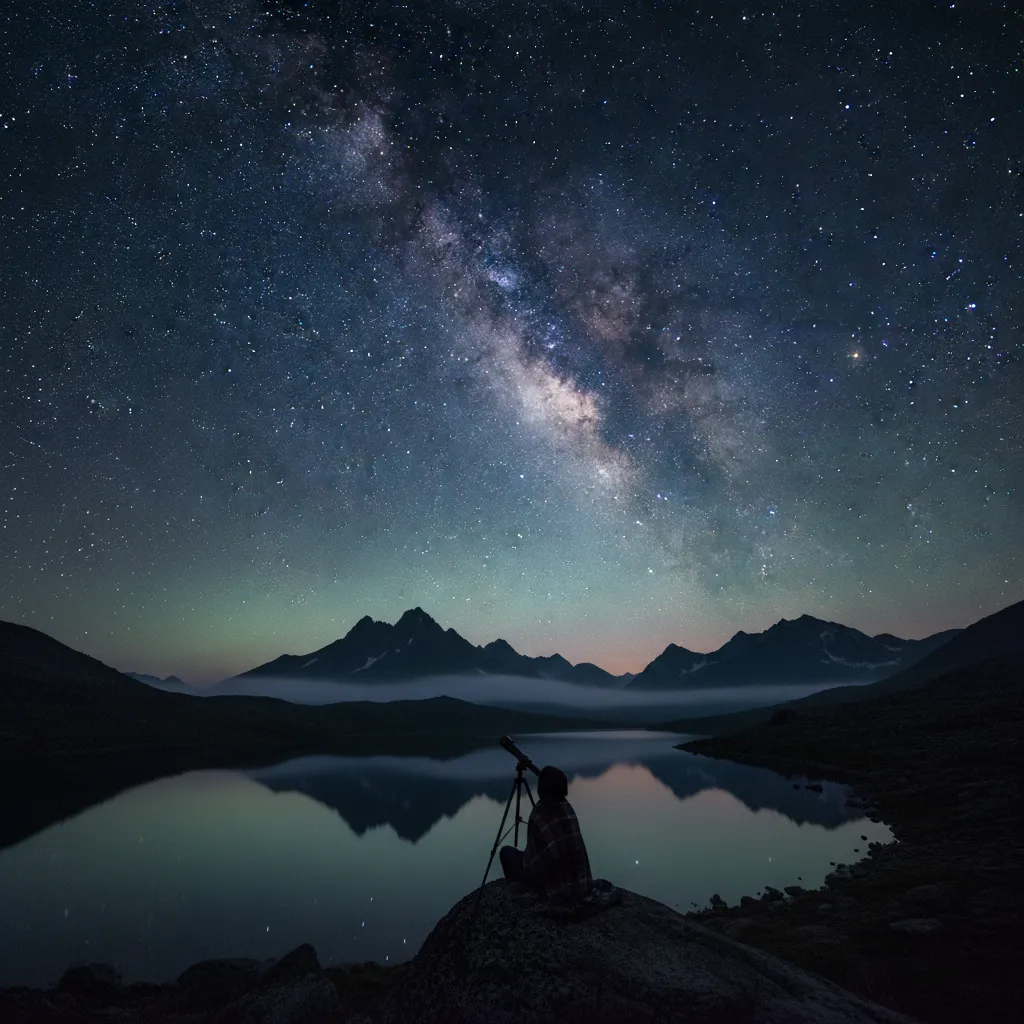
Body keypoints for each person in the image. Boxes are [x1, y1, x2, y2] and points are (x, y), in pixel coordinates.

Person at [500, 765, 593, 903]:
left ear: (541, 789)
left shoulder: (539, 814)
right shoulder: (568, 808)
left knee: (506, 853)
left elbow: (531, 863)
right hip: (580, 884)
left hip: (555, 891)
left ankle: (518, 895)